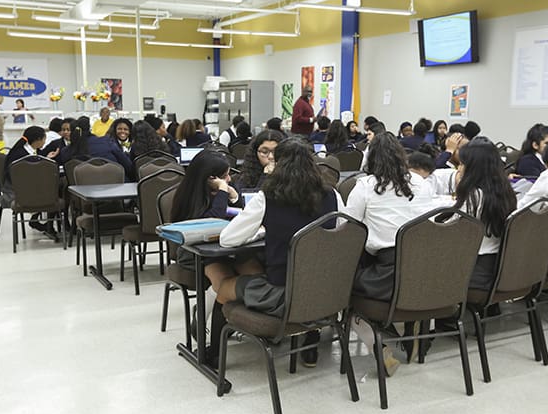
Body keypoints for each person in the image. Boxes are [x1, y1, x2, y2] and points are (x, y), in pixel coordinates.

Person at [217, 138, 344, 368]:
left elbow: (227, 239)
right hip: (326, 292)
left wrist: (259, 232)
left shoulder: (268, 197)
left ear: (278, 164)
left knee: (224, 286)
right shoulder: (332, 195)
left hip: (283, 294)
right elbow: (341, 236)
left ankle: (213, 352)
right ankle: (311, 343)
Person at [344, 131, 435, 371]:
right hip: (423, 271)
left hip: (387, 273)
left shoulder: (365, 186)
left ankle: (379, 347)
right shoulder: (422, 184)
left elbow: (348, 229)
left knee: (344, 293)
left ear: (370, 159)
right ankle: (412, 327)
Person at [170, 150, 247, 365]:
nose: (229, 180)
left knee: (251, 268)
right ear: (208, 179)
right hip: (194, 254)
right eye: (224, 176)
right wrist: (223, 192)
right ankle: (207, 330)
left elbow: (241, 217)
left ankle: (212, 316)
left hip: (223, 250)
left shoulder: (221, 191)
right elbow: (211, 223)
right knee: (225, 281)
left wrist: (233, 195)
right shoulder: (189, 197)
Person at [453, 137, 517, 292]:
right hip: (497, 267)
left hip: (473, 272)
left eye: (462, 164)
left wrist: (459, 186)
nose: (459, 169)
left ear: (474, 168)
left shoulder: (474, 197)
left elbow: (453, 234)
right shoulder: (506, 192)